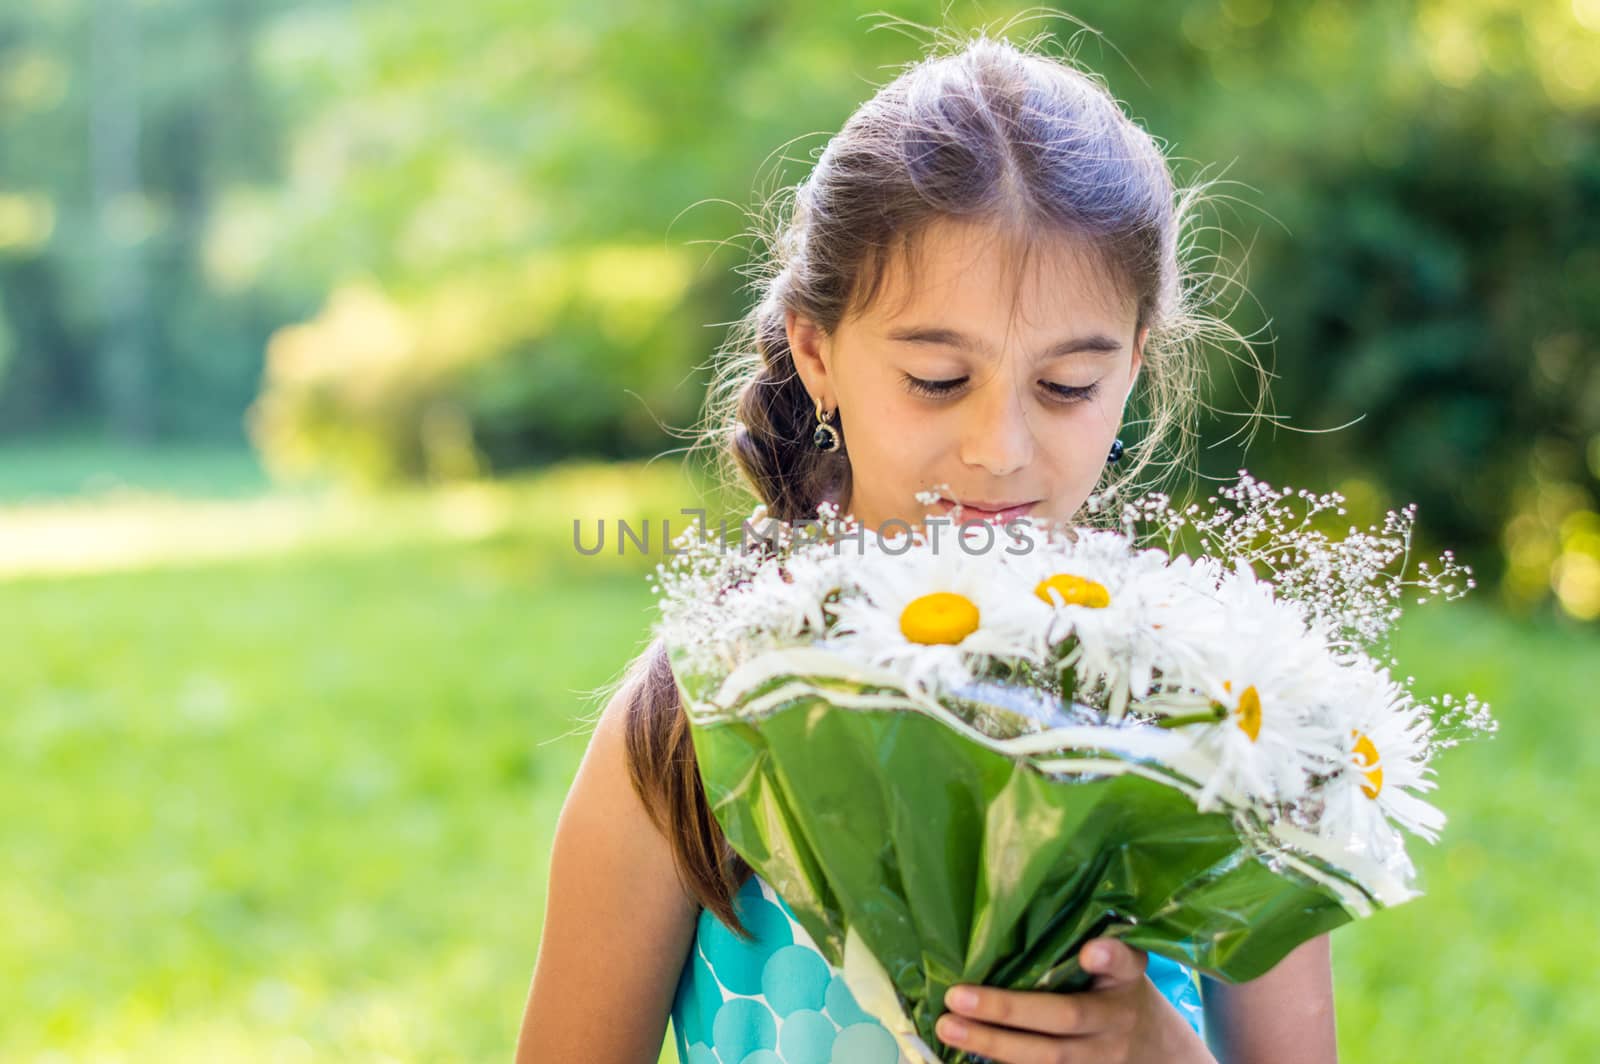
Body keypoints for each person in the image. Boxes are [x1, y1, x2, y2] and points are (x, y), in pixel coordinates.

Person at [517, 28, 1337, 1064]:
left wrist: (1160, 1053)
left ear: (1132, 362)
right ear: (816, 353)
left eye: (1066, 385)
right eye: (938, 380)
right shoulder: (698, 720)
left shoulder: (1228, 712)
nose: (998, 448)